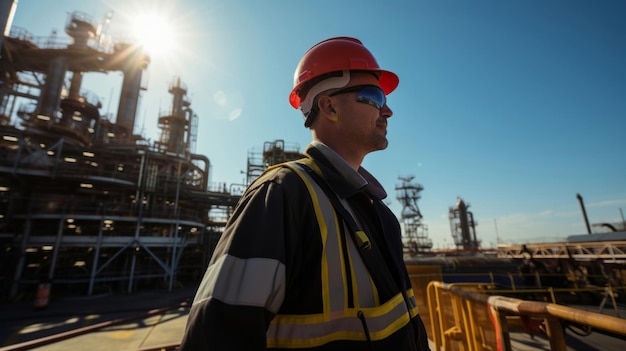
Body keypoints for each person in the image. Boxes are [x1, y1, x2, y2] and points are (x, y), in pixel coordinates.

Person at [179, 36, 431, 350]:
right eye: (374, 96)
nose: (388, 111)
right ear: (329, 106)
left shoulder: (379, 211)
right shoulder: (282, 196)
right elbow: (214, 337)